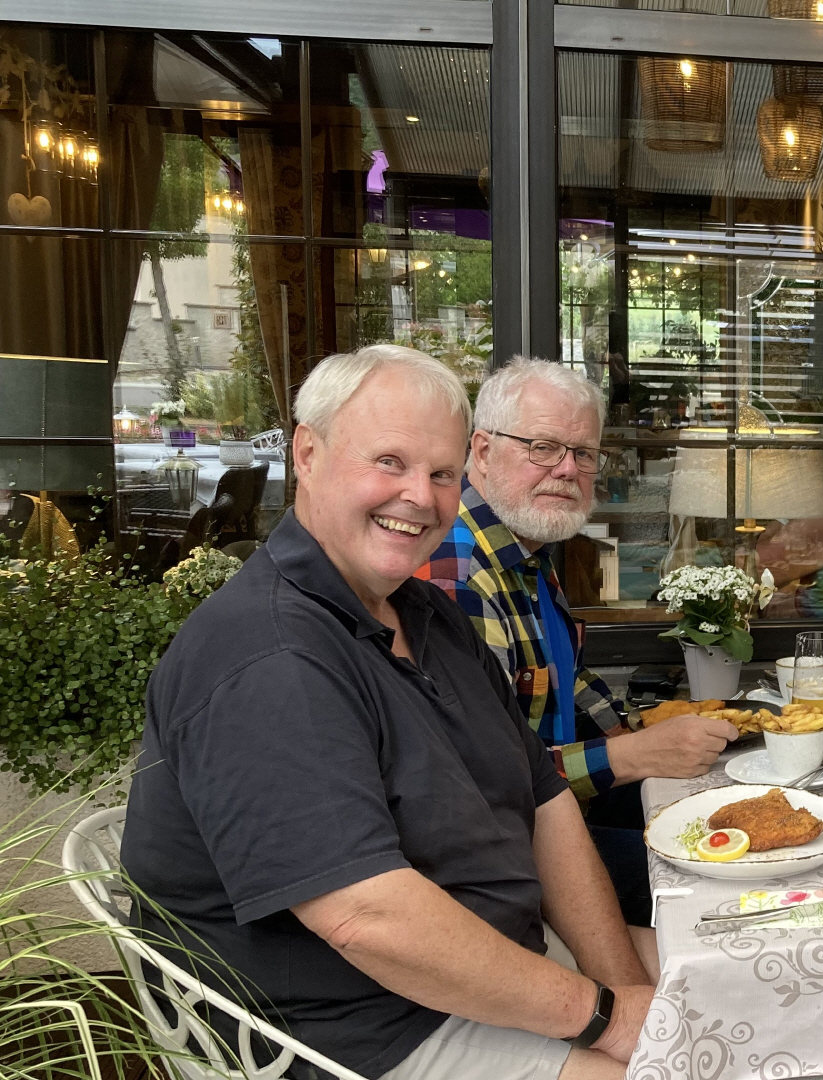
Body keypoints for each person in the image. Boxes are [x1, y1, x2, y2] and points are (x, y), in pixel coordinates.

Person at [123, 345, 651, 1080]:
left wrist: (628, 991)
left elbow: (545, 801)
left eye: (441, 474)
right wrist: (608, 1018)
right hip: (353, 1031)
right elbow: (366, 919)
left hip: (493, 961)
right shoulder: (269, 654)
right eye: (390, 462)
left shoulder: (424, 612)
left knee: (729, 968)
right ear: (308, 453)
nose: (420, 497)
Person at [420, 358, 734, 965]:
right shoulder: (456, 577)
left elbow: (565, 678)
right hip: (513, 864)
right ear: (481, 450)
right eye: (542, 448)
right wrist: (633, 754)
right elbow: (484, 782)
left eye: (584, 453)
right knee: (729, 884)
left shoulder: (526, 550)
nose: (567, 469)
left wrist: (648, 728)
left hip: (565, 815)